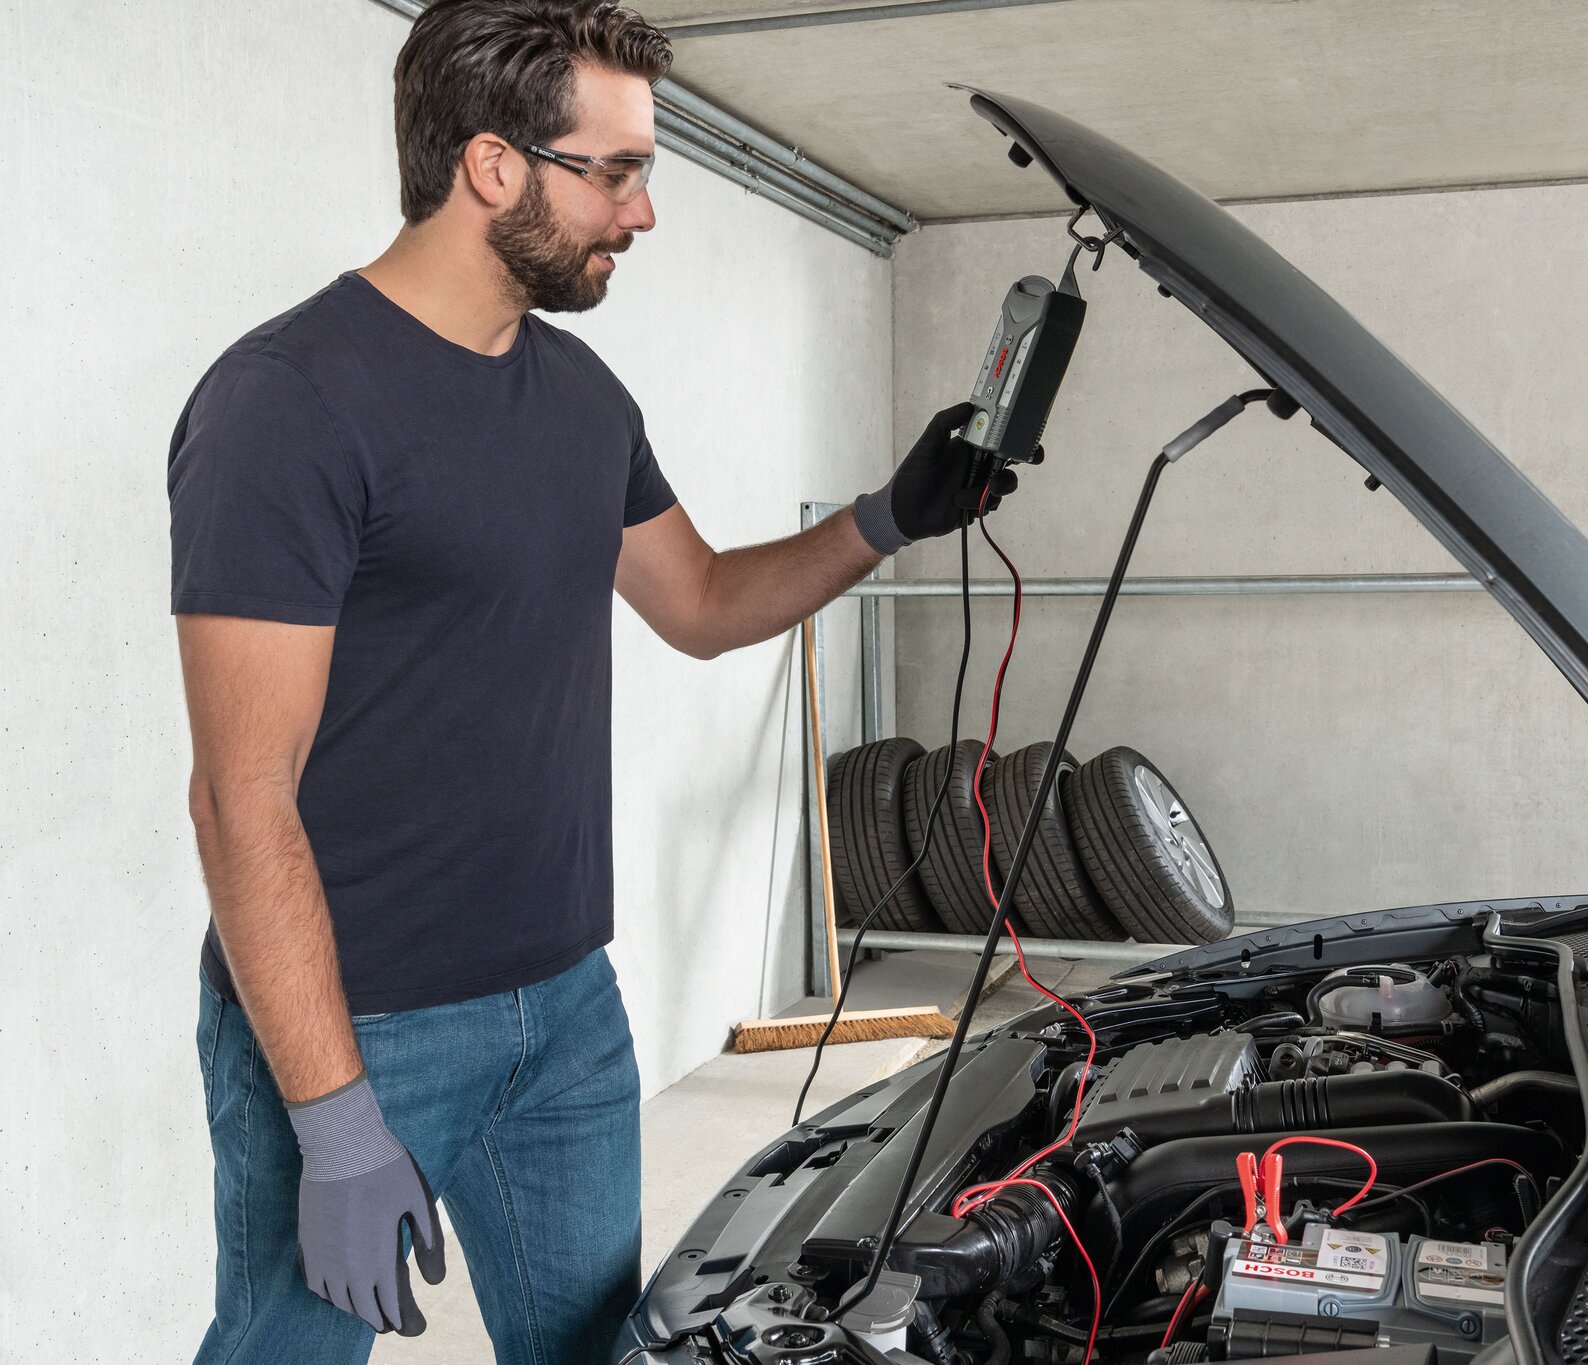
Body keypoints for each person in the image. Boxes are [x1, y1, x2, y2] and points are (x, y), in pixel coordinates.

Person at [167, 2, 1016, 1360]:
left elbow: (701, 602)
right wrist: (333, 1122)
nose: (643, 212)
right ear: (494, 167)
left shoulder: (582, 402)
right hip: (354, 1023)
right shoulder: (288, 403)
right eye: (612, 171)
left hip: (564, 1011)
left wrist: (885, 518)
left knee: (596, 1349)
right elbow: (238, 795)